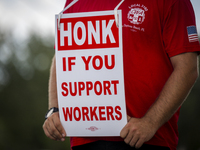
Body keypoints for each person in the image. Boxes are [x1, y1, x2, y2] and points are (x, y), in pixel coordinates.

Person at [43, 0, 200, 149]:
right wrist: (54, 110)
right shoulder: (75, 2)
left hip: (146, 140)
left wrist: (150, 122)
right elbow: (62, 59)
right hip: (84, 139)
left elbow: (187, 68)